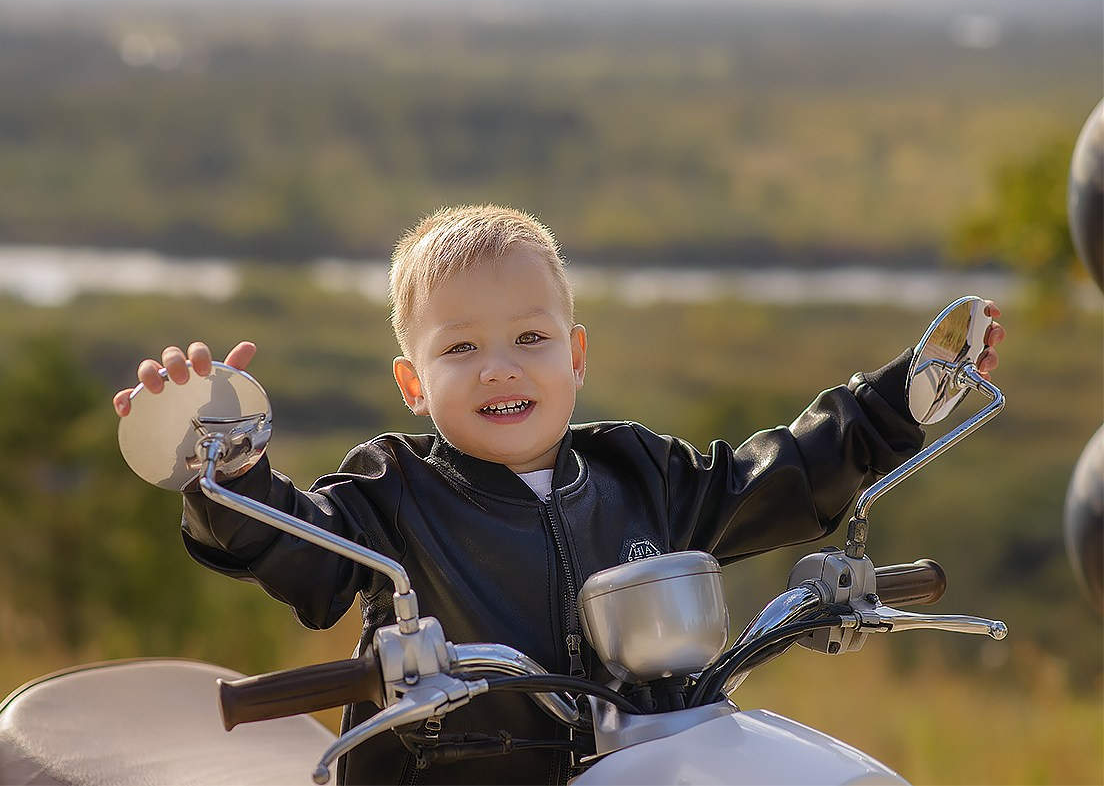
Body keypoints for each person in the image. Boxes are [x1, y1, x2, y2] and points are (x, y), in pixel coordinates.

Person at [113, 204, 1005, 786]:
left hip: (654, 764)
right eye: (459, 349)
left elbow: (775, 479)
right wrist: (231, 475)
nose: (500, 365)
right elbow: (301, 548)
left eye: (529, 337)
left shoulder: (639, 473)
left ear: (575, 357)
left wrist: (897, 401)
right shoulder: (393, 490)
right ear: (412, 384)